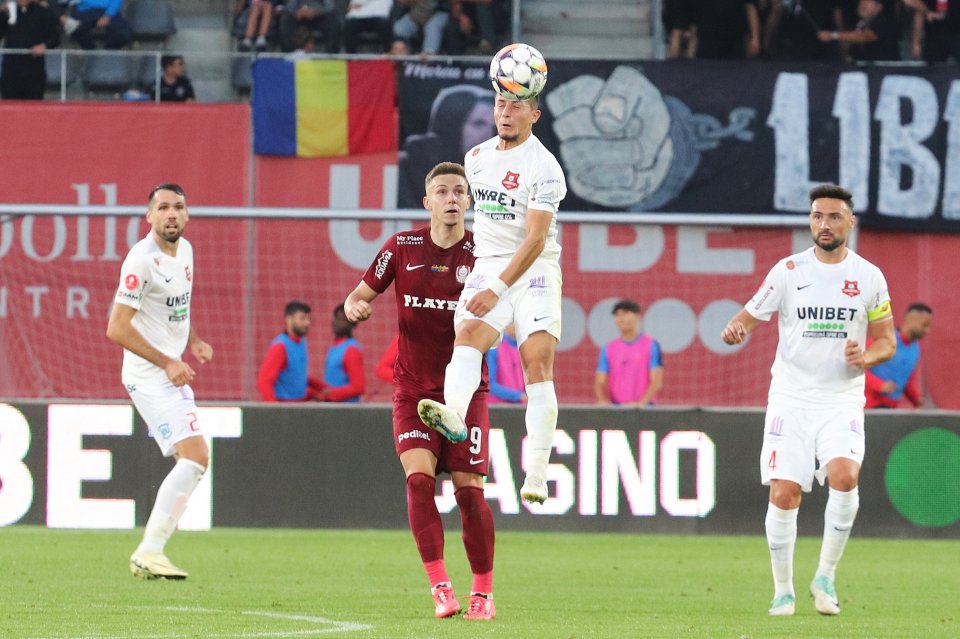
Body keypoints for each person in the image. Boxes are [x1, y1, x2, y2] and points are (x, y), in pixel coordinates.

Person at [721, 184, 896, 617]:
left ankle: (825, 576)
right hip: (791, 398)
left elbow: (886, 341)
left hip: (840, 398)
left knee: (844, 475)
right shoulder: (788, 271)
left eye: (834, 217)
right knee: (783, 495)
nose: (824, 224)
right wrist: (736, 329)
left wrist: (867, 355)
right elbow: (746, 317)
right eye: (818, 216)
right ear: (810, 221)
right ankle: (783, 590)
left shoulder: (869, 277)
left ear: (850, 222)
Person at [343, 161, 496, 620]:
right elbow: (358, 295)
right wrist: (355, 307)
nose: (452, 199)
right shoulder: (401, 247)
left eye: (460, 192)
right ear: (428, 202)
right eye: (443, 192)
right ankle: (441, 588)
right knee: (418, 481)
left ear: (469, 202)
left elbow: (500, 316)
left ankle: (483, 594)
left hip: (466, 394)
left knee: (469, 494)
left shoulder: (485, 254)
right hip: (413, 391)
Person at [416, 90, 567, 506]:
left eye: (516, 106)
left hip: (533, 269)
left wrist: (497, 289)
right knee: (466, 335)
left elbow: (535, 240)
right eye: (501, 105)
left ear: (533, 115)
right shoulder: (477, 157)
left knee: (535, 361)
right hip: (488, 265)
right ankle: (454, 415)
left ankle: (536, 471)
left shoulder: (545, 169)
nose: (505, 112)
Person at [106, 183, 214, 580]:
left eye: (178, 207)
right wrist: (170, 361)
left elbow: (178, 305)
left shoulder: (185, 251)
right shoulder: (141, 260)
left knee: (194, 460)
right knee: (196, 456)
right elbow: (117, 329)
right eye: (163, 207)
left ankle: (152, 551)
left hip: (167, 369)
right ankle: (149, 551)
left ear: (187, 215)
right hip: (147, 374)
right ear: (149, 217)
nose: (171, 213)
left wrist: (194, 340)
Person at [397, 84, 497, 208]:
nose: (489, 134)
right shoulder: (407, 165)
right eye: (479, 124)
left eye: (493, 127)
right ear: (452, 125)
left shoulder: (494, 168)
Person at [594, 299, 664, 407]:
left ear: (637, 316)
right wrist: (603, 401)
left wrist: (640, 405)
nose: (621, 319)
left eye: (625, 313)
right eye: (617, 315)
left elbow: (656, 381)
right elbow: (600, 381)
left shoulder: (651, 345)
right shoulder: (608, 348)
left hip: (645, 411)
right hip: (618, 411)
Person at [865, 302, 933, 408]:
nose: (928, 330)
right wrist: (880, 385)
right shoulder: (884, 339)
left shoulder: (915, 349)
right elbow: (857, 368)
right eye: (925, 325)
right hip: (869, 406)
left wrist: (916, 399)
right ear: (911, 319)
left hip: (890, 408)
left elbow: (906, 380)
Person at [257, 300, 324, 401]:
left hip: (298, 407)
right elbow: (264, 382)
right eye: (302, 318)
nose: (307, 323)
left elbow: (295, 377)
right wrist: (274, 411)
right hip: (285, 408)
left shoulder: (301, 342)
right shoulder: (280, 346)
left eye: (308, 318)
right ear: (289, 319)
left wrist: (319, 389)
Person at [0, 0, 60, 100]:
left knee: (34, 107)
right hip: (11, 69)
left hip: (34, 69)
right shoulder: (8, 12)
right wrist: (1, 14)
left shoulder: (43, 13)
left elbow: (55, 38)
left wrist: (44, 45)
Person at [816, 0, 900, 61]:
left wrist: (833, 35)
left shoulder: (884, 21)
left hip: (883, 69)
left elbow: (866, 36)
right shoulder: (861, 24)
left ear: (879, 7)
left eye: (868, 2)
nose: (863, 4)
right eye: (862, 2)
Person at [319, 303, 365, 402]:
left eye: (342, 319)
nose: (336, 322)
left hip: (346, 411)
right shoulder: (334, 346)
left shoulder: (351, 349)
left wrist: (330, 394)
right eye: (335, 318)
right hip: (333, 407)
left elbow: (358, 387)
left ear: (353, 323)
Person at [486, 323, 525, 403]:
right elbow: (489, 384)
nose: (516, 326)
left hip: (520, 407)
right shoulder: (495, 348)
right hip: (497, 407)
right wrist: (518, 396)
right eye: (512, 322)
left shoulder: (525, 348)